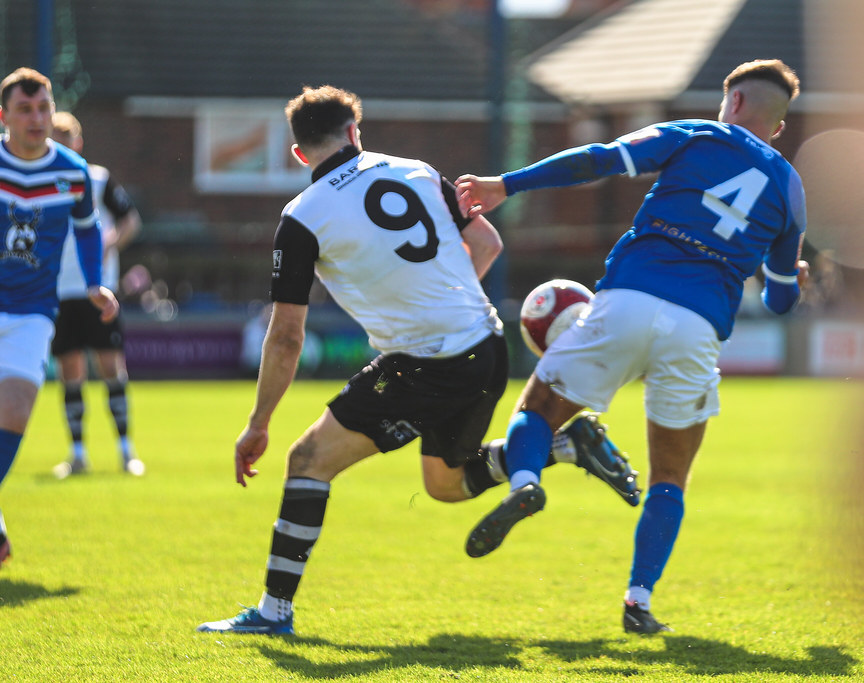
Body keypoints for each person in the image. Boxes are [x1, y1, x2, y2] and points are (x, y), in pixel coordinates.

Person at [197, 85, 638, 635]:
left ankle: (272, 612)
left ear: (298, 154)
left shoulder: (301, 216)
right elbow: (487, 244)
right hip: (485, 347)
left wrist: (257, 423)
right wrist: (439, 302)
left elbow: (286, 336)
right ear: (355, 133)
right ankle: (569, 445)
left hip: (424, 364)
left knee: (307, 460)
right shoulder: (418, 171)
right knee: (445, 483)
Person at [456, 59, 810, 634]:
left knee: (540, 410)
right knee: (670, 475)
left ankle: (525, 484)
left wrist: (506, 185)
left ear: (735, 104)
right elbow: (779, 303)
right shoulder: (790, 189)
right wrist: (786, 275)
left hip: (630, 299)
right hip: (697, 329)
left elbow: (598, 159)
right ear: (778, 125)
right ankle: (638, 602)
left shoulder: (697, 133)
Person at [0, 68, 118, 568]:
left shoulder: (73, 171)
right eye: (25, 109)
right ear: (3, 116)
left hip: (32, 310)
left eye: (44, 108)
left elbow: (89, 231)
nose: (36, 118)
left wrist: (94, 281)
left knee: (16, 410)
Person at [49, 111, 144, 478]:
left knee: (110, 369)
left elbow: (130, 220)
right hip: (58, 292)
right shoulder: (41, 182)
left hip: (97, 291)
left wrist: (109, 242)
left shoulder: (98, 179)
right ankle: (77, 453)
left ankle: (125, 451)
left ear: (78, 142)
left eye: (64, 139)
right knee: (69, 372)